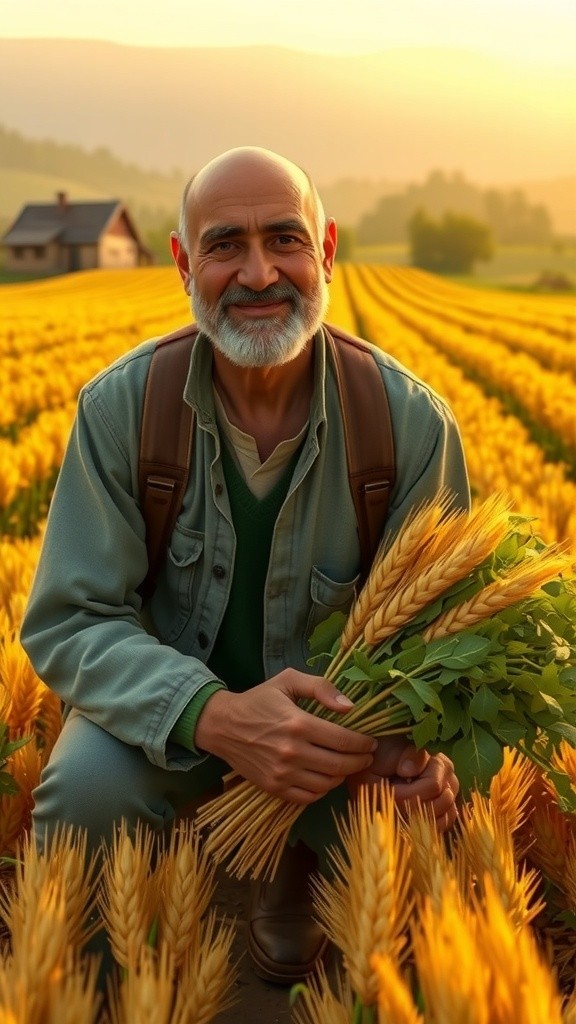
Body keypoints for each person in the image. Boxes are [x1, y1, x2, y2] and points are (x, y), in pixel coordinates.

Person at [20, 146, 469, 986]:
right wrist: (213, 714)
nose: (260, 273)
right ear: (182, 262)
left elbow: (440, 646)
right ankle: (73, 994)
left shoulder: (408, 427)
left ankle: (298, 870)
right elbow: (70, 619)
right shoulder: (124, 410)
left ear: (327, 249)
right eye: (226, 245)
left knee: (433, 839)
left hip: (338, 747)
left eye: (285, 241)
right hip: (166, 725)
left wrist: (426, 753)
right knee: (81, 796)